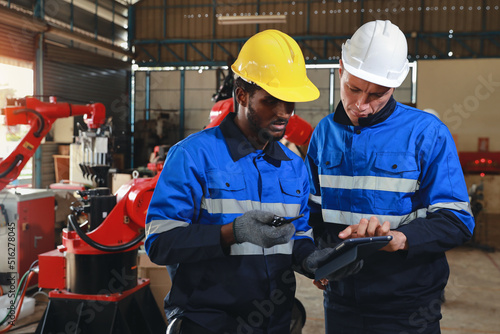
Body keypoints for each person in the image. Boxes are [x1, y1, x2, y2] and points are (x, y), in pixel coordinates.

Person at [145, 29, 339, 334]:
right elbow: (160, 243)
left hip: (273, 322)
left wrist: (311, 259)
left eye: (290, 103)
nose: (283, 113)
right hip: (206, 322)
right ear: (242, 95)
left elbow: (295, 235)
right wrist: (231, 233)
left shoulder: (293, 168)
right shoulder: (193, 156)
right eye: (271, 101)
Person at [305, 20, 475, 333]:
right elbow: (313, 214)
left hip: (408, 304)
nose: (361, 105)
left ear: (394, 86)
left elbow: (457, 221)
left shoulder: (427, 134)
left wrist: (399, 239)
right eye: (353, 88)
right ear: (340, 69)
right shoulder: (324, 135)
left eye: (377, 94)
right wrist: (319, 258)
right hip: (341, 301)